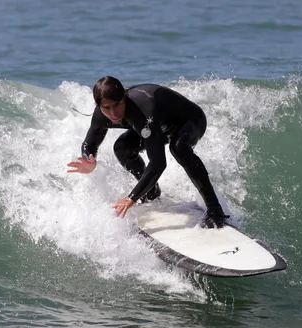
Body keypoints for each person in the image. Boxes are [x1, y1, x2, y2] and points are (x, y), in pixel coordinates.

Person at [67, 76, 228, 228]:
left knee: (179, 149)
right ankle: (152, 193)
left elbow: (158, 163)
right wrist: (89, 160)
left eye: (117, 105)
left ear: (123, 97)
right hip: (158, 127)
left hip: (191, 120)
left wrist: (131, 198)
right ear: (99, 106)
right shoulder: (101, 115)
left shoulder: (142, 109)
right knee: (122, 148)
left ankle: (215, 209)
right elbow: (90, 143)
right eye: (107, 108)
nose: (113, 113)